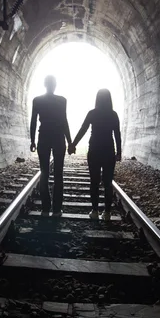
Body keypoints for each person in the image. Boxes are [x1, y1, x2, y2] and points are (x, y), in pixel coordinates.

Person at [68, 89, 121, 221]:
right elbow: (117, 135)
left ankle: (95, 211)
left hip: (94, 150)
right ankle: (107, 213)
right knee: (108, 182)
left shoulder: (92, 113)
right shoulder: (113, 115)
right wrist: (119, 152)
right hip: (108, 150)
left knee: (94, 181)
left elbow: (83, 129)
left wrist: (73, 144)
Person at [30, 75, 73, 217]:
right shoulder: (62, 101)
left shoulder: (37, 101)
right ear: (55, 85)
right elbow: (64, 121)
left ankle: (45, 208)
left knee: (44, 173)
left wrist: (32, 141)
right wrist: (70, 141)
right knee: (58, 174)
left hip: (43, 137)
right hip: (59, 138)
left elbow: (33, 122)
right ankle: (56, 209)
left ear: (44, 84)